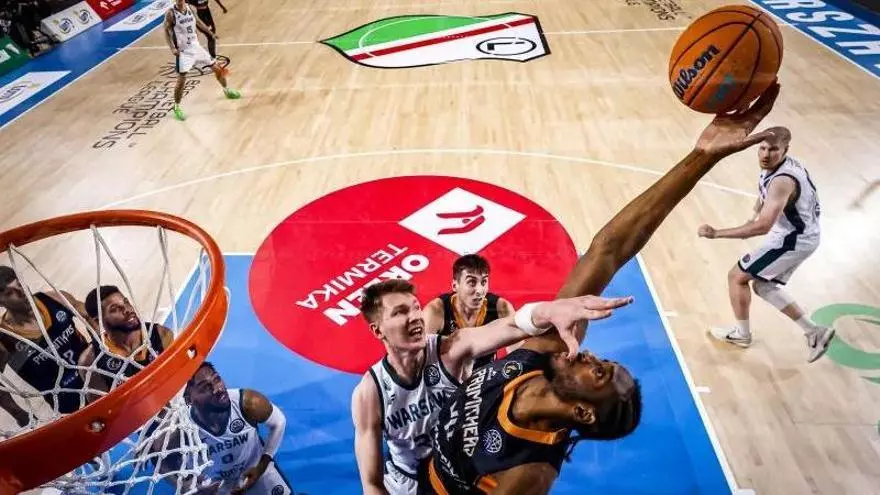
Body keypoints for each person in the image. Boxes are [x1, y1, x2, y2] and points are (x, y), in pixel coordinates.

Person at [426, 82, 786, 494]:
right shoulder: (545, 353)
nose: (590, 355)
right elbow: (610, 250)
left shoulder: (527, 473)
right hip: (421, 454)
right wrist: (701, 157)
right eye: (604, 361)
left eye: (598, 372)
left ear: (582, 412)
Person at [352, 276, 633, 494]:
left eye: (416, 307)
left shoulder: (451, 348)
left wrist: (545, 311)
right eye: (400, 312)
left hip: (461, 465)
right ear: (378, 330)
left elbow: (511, 326)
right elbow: (372, 483)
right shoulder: (370, 393)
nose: (415, 317)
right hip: (408, 483)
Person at [697, 126, 834, 362]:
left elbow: (763, 227)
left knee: (736, 276)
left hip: (793, 239)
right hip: (800, 234)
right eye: (762, 148)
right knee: (762, 286)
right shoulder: (778, 166)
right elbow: (763, 193)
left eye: (773, 150)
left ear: (785, 150)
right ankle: (814, 331)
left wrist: (717, 233)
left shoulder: (782, 180)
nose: (765, 154)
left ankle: (742, 335)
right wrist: (752, 216)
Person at [184, 362, 294, 494]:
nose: (218, 389)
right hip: (217, 487)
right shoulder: (182, 427)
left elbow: (279, 422)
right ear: (188, 399)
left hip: (257, 471)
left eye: (217, 379)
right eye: (205, 388)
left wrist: (262, 465)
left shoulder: (248, 402)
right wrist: (191, 485)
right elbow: (167, 464)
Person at [0, 265, 91, 424]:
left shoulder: (54, 299)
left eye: (20, 283)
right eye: (10, 293)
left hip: (99, 375)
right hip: (70, 404)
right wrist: (19, 414)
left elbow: (95, 318)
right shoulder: (5, 338)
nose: (22, 291)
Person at [77, 285, 174, 399]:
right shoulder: (90, 361)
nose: (127, 310)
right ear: (99, 321)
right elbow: (105, 408)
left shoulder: (161, 334)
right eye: (115, 309)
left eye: (126, 302)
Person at [424, 254, 517, 370]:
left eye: (484, 282)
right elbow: (421, 360)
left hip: (486, 375)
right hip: (446, 376)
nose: (479, 291)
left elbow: (519, 355)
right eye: (472, 282)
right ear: (455, 285)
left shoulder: (501, 308)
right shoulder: (436, 311)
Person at [163, 0, 240, 122]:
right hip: (184, 52)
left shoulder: (189, 8)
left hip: (196, 47)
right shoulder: (170, 13)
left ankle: (227, 90)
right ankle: (176, 107)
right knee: (181, 80)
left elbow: (198, 22)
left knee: (217, 68)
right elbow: (166, 31)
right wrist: (172, 47)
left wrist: (210, 33)